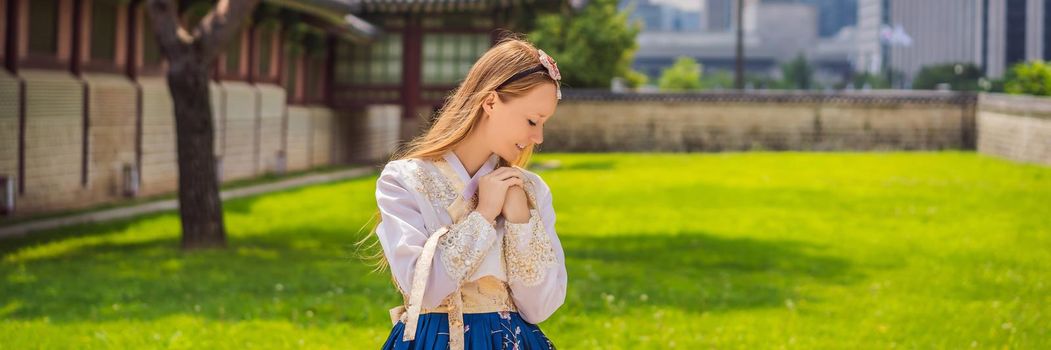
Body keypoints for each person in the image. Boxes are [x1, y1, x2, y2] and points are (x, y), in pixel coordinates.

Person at [371, 37, 567, 350]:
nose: (538, 137)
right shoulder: (405, 180)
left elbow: (540, 307)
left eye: (543, 124)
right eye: (532, 120)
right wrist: (483, 215)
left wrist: (519, 219)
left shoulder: (530, 190)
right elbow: (425, 289)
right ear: (490, 103)